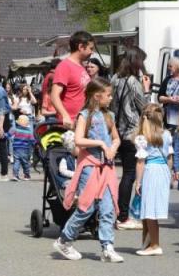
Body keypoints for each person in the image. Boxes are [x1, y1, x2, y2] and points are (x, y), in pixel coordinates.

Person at [52, 78, 125, 263]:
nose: (111, 98)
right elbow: (78, 140)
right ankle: (64, 241)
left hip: (106, 168)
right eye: (108, 95)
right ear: (97, 96)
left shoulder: (110, 115)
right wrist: (101, 143)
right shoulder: (84, 115)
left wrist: (112, 148)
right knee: (86, 207)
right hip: (90, 167)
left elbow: (116, 138)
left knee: (108, 208)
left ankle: (108, 247)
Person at [112, 46, 151, 230]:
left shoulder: (115, 79)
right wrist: (147, 90)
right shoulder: (133, 82)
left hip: (117, 131)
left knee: (124, 174)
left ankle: (119, 214)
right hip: (132, 132)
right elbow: (145, 108)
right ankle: (123, 216)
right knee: (129, 175)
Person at [133, 103, 174, 257]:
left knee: (149, 210)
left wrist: (138, 182)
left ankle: (155, 244)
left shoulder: (143, 138)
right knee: (151, 209)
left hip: (151, 171)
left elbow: (141, 162)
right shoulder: (167, 134)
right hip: (163, 170)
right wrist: (168, 174)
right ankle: (147, 242)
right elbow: (170, 158)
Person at [50, 31, 95, 129]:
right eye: (91, 48)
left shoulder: (81, 66)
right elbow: (54, 95)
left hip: (82, 122)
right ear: (81, 47)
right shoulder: (65, 66)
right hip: (70, 125)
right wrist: (65, 116)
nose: (92, 52)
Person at [158, 57, 179, 133]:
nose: (168, 68)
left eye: (170, 66)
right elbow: (160, 98)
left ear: (178, 66)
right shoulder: (167, 80)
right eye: (168, 66)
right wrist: (169, 99)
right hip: (169, 118)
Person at [10, 115, 35, 181]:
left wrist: (4, 135)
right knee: (25, 163)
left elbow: (8, 134)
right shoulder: (29, 131)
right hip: (25, 149)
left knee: (16, 162)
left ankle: (15, 175)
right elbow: (32, 140)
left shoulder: (15, 129)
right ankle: (27, 175)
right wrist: (36, 144)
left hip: (16, 149)